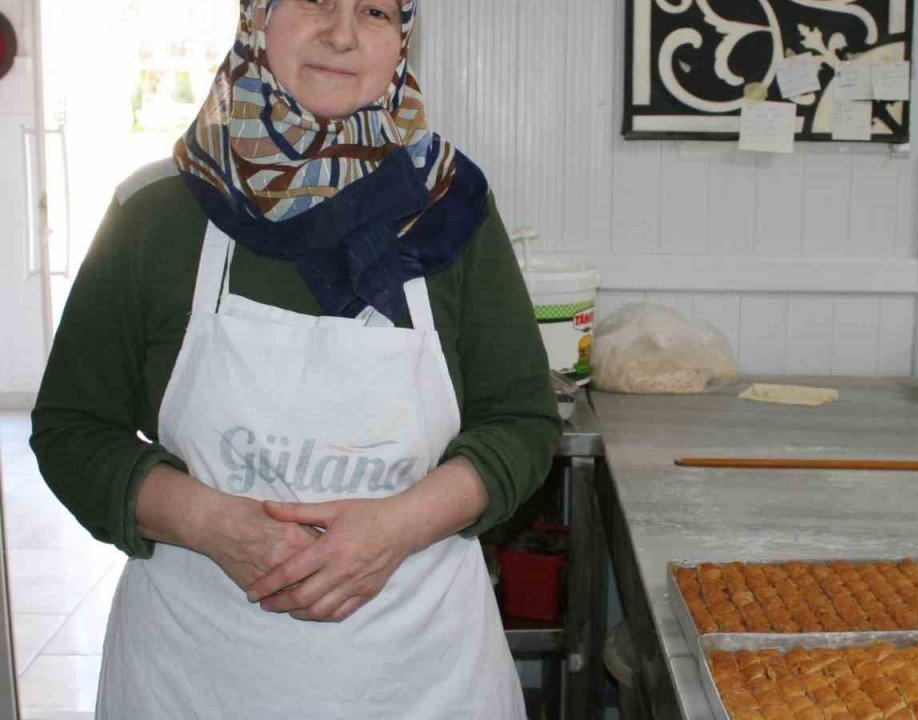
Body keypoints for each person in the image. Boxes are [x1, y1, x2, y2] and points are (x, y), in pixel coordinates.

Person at [29, 0, 560, 716]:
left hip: (421, 677)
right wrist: (210, 524)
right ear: (255, 18)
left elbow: (522, 421)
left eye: (374, 10)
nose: (341, 33)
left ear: (401, 36)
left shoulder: (449, 209)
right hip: (196, 675)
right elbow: (72, 429)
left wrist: (395, 528)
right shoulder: (157, 212)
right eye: (314, 0)